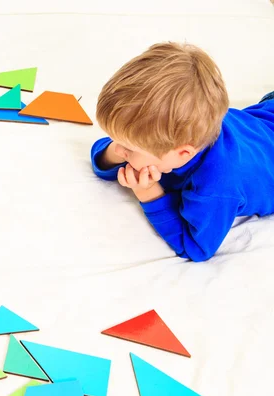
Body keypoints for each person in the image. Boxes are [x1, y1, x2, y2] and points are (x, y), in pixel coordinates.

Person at [90, 42, 274, 262]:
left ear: (183, 154)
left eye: (127, 147)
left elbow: (196, 248)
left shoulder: (217, 188)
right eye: (115, 139)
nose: (117, 149)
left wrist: (149, 193)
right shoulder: (180, 131)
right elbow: (106, 162)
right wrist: (114, 155)